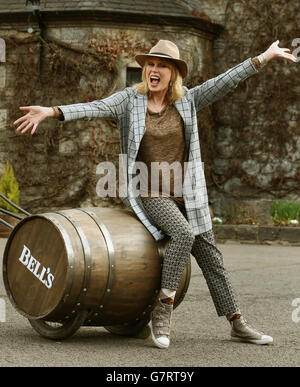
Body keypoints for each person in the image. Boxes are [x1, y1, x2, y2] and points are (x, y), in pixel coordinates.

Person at [14, 39, 297, 349]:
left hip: (186, 194)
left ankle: (237, 322)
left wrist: (263, 57)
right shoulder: (129, 101)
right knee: (182, 234)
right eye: (150, 64)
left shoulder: (187, 100)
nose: (154, 69)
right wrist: (53, 111)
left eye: (162, 65)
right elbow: (94, 107)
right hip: (149, 191)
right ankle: (162, 311)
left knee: (212, 259)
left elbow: (224, 82)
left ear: (173, 73)